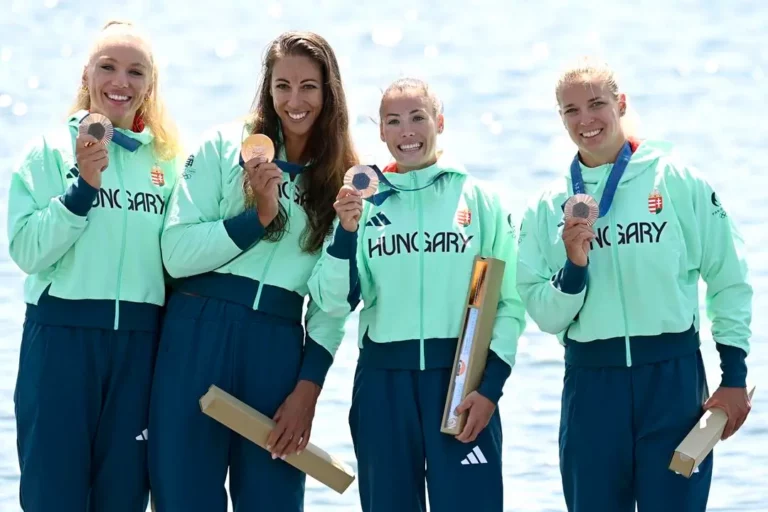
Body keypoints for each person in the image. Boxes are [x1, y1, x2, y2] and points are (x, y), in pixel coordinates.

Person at [515, 57, 753, 512]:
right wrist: (574, 266)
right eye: (571, 111)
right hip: (592, 388)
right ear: (560, 117)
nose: (586, 120)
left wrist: (734, 374)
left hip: (672, 383)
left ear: (620, 104)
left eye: (597, 104)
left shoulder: (677, 180)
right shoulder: (548, 205)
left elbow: (729, 277)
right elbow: (545, 314)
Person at [148, 31, 358, 511]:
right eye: (282, 85)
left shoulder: (342, 179)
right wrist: (255, 218)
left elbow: (332, 304)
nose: (294, 100)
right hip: (194, 338)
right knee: (183, 498)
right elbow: (175, 253)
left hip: (277, 351)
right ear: (268, 88)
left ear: (329, 93)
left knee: (272, 502)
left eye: (309, 87)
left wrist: (309, 387)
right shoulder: (224, 146)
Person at [307, 77, 526, 512]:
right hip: (384, 388)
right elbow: (334, 302)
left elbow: (504, 304)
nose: (407, 131)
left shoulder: (479, 201)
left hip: (460, 385)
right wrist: (346, 235)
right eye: (394, 121)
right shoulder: (364, 202)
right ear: (381, 133)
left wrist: (490, 387)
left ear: (439, 122)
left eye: (417, 117)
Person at [7, 19, 181, 512]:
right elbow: (27, 252)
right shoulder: (46, 154)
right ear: (87, 74)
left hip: (139, 349)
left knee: (123, 497)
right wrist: (82, 188)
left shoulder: (168, 165)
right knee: (52, 496)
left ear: (151, 85)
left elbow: (181, 258)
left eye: (135, 71)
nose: (120, 82)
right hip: (62, 340)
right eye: (108, 67)